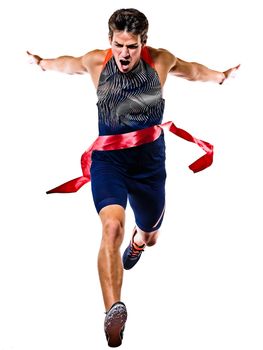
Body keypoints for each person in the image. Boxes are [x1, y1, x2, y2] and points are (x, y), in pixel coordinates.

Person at [27, 8, 240, 347]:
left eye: (132, 46)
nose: (124, 54)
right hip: (109, 160)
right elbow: (66, 63)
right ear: (109, 41)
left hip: (149, 163)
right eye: (118, 45)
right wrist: (43, 63)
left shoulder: (162, 61)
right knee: (111, 225)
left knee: (151, 235)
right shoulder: (97, 61)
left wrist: (220, 76)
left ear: (144, 42)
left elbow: (194, 71)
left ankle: (139, 243)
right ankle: (114, 310)